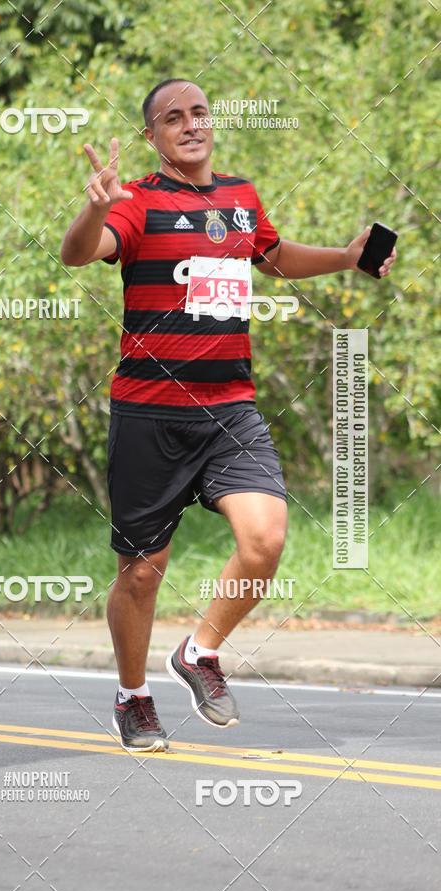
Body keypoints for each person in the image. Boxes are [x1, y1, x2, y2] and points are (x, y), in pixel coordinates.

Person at [60, 78, 397, 752]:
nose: (191, 125)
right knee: (141, 571)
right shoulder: (138, 203)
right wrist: (92, 209)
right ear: (152, 136)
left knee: (266, 537)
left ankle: (200, 651)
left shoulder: (239, 199)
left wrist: (347, 258)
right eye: (172, 118)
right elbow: (77, 253)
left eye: (200, 113)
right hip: (149, 414)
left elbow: (271, 259)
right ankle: (132, 698)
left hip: (228, 409)